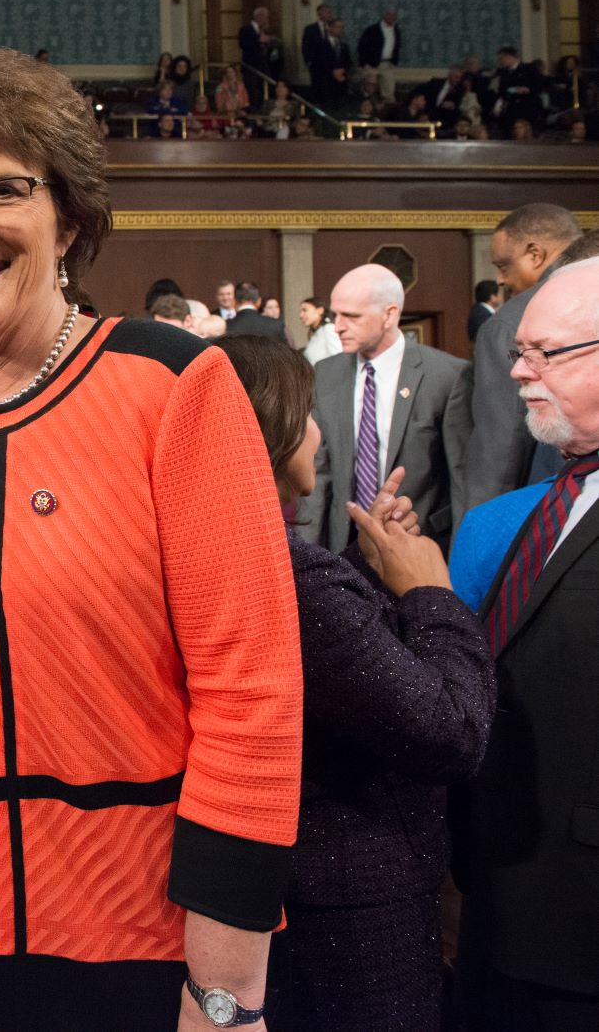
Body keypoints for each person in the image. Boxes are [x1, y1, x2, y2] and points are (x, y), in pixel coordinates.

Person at [0, 48, 301, 1030]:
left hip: (120, 928)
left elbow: (251, 697)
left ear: (67, 214)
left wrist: (223, 995)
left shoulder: (171, 385)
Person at [212, 335, 494, 1029]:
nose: (318, 432)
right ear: (270, 431)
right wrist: (429, 589)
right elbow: (452, 729)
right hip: (353, 907)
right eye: (306, 413)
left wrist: (365, 567)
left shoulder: (241, 550)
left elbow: (335, 660)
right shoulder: (300, 582)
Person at [455, 256, 599, 1030]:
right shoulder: (523, 511)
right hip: (501, 897)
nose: (517, 370)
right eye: (520, 349)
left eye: (545, 352)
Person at [303, 264, 470, 552]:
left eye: (352, 316)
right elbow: (320, 471)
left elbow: (461, 478)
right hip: (345, 548)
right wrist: (309, 556)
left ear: (389, 314)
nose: (338, 326)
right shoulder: (325, 374)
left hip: (419, 545)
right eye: (335, 315)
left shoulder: (446, 376)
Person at [465, 207, 584, 511]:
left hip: (551, 508)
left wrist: (481, 537)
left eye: (504, 265)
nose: (500, 280)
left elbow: (500, 451)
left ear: (534, 254)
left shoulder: (511, 323)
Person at [299, 296, 341, 365]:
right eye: (300, 311)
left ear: (320, 310)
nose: (300, 315)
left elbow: (339, 358)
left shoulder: (329, 329)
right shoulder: (318, 333)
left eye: (305, 310)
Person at [468, 278, 502, 343]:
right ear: (493, 297)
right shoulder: (483, 315)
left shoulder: (479, 311)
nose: (500, 297)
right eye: (498, 294)